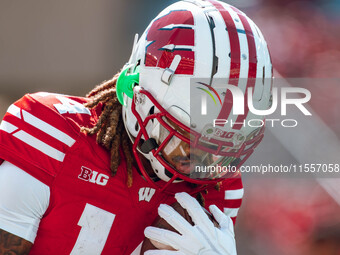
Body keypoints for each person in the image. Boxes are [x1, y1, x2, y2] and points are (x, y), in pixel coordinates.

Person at [0, 0, 272, 254]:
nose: (200, 162)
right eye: (186, 140)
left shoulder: (218, 187)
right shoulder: (53, 138)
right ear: (138, 98)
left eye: (218, 149)